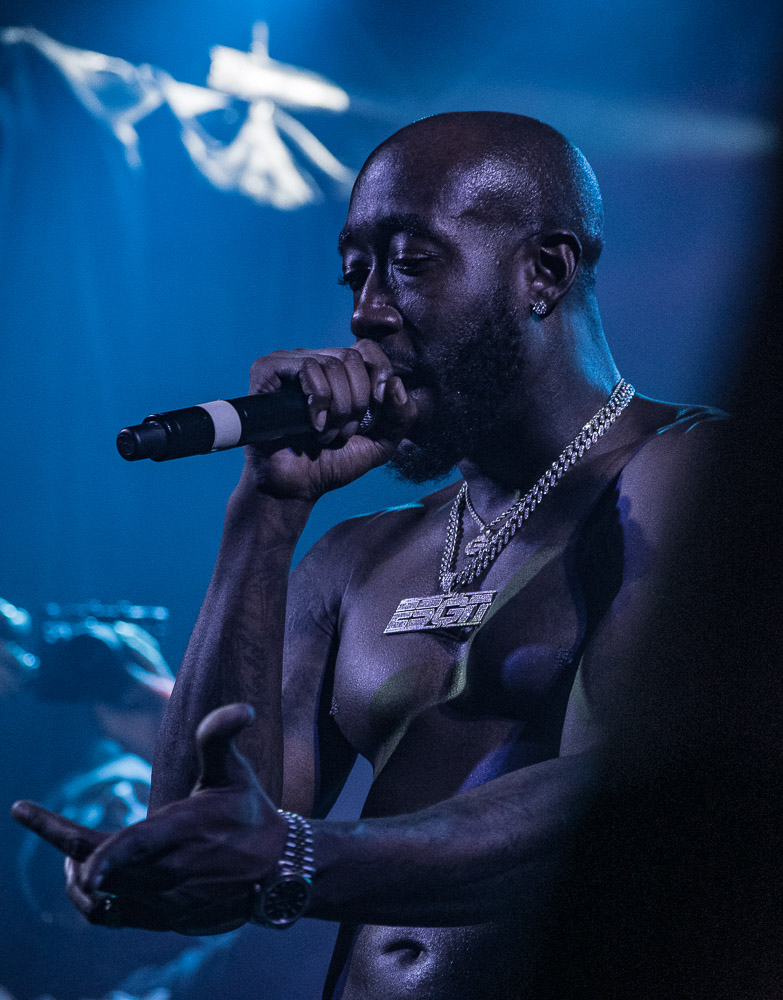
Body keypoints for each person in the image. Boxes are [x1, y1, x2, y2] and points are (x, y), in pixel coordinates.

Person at [12, 111, 729, 999]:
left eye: (411, 263)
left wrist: (298, 853)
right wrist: (266, 515)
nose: (367, 310)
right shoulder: (360, 555)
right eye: (355, 273)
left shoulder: (690, 475)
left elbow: (630, 805)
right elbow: (206, 854)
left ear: (543, 271)